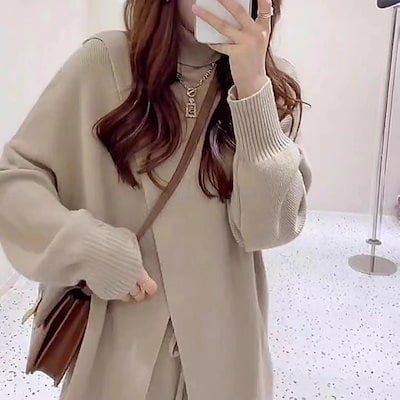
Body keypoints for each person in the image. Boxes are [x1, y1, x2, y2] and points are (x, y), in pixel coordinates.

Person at [0, 0, 312, 399]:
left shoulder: (268, 87)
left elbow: (270, 229)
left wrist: (253, 89)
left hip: (226, 355)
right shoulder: (104, 64)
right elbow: (14, 182)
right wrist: (88, 248)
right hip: (117, 356)